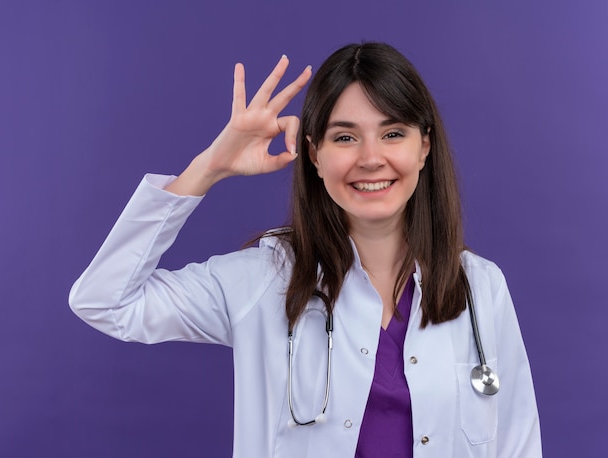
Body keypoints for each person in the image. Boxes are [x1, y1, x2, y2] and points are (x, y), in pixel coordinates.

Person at [69, 42, 541, 457]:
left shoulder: (480, 287)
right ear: (315, 155)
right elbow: (105, 301)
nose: (370, 157)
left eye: (393, 133)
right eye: (344, 137)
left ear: (424, 147)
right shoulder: (265, 279)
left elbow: (518, 444)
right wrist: (208, 167)